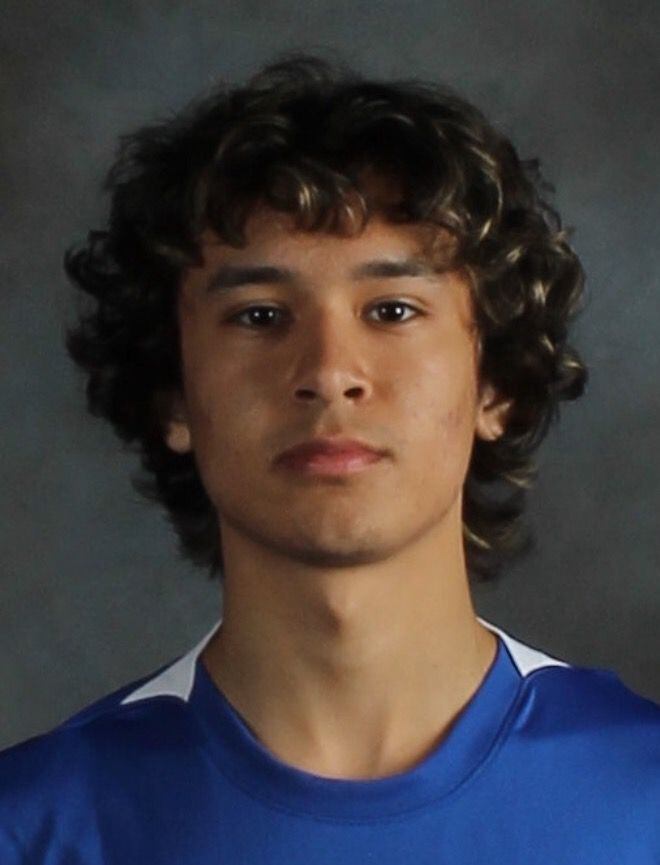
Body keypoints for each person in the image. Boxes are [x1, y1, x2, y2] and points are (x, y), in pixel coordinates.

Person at [1, 52, 658, 864]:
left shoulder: (645, 800)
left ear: (494, 384)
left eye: (392, 310)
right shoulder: (33, 827)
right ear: (173, 396)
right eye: (260, 315)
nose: (328, 371)